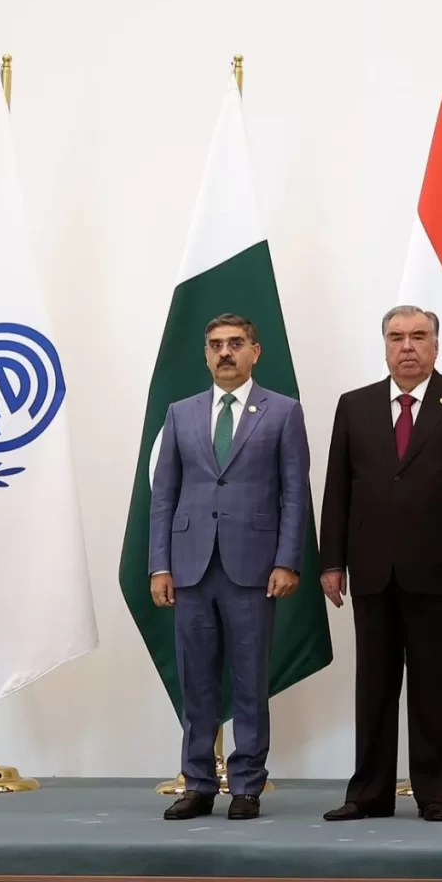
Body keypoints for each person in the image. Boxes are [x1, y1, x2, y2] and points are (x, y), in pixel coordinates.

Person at [317, 306, 442, 824]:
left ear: (436, 345)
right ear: (385, 345)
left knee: (436, 686)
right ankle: (368, 794)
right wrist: (332, 561)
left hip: (440, 567)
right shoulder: (355, 406)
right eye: (397, 337)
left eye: (419, 336)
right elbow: (337, 489)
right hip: (372, 568)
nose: (408, 346)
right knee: (373, 687)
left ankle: (435, 792)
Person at [147, 313, 310, 821]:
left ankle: (246, 785)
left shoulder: (283, 411)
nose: (225, 352)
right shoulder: (181, 413)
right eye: (216, 344)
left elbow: (295, 494)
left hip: (254, 567)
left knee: (249, 681)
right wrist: (159, 565)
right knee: (195, 680)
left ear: (254, 352)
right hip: (190, 566)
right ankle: (198, 782)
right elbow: (164, 495)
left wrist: (287, 560)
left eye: (236, 343)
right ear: (206, 353)